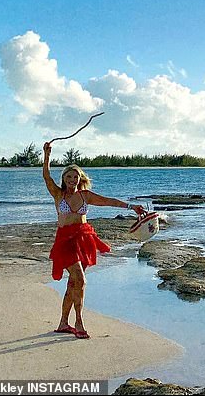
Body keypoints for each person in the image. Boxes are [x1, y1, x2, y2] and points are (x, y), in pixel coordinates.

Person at [43, 141, 144, 339]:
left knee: (73, 283)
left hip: (83, 238)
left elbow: (108, 201)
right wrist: (47, 156)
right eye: (69, 176)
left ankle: (64, 323)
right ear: (63, 178)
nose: (72, 179)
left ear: (80, 179)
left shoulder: (85, 195)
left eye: (76, 176)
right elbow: (46, 176)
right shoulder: (58, 194)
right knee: (80, 279)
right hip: (65, 241)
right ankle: (79, 321)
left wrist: (131, 207)